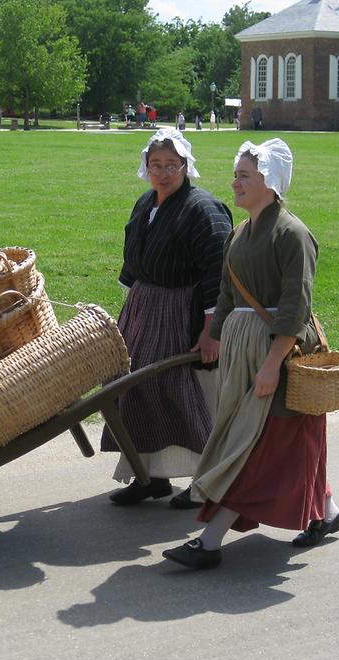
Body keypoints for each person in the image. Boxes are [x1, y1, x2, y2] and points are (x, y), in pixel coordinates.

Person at [162, 138, 339, 569]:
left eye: (244, 175)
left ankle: (209, 541)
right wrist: (216, 339)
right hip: (245, 352)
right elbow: (226, 294)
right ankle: (329, 514)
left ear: (270, 181)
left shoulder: (293, 235)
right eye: (236, 175)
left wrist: (270, 364)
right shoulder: (240, 233)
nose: (235, 182)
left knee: (257, 443)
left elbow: (296, 309)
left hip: (276, 352)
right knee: (288, 444)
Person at [101, 129, 233, 508]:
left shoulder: (203, 209)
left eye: (171, 165)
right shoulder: (146, 204)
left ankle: (204, 480)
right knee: (133, 389)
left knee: (180, 393)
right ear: (146, 167)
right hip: (145, 309)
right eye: (155, 165)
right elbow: (135, 262)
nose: (163, 173)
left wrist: (212, 332)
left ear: (186, 166)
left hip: (183, 313)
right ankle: (150, 477)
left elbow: (218, 276)